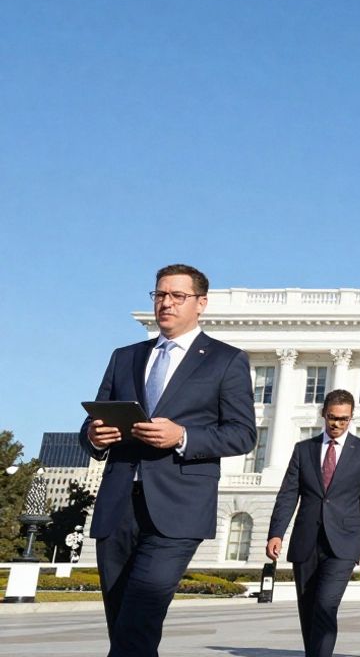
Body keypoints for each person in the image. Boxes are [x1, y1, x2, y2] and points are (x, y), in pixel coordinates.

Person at [80, 263, 256, 657]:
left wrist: (184, 437)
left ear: (201, 303)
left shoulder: (226, 360)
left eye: (178, 295)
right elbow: (93, 422)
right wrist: (95, 435)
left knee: (138, 618)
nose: (166, 302)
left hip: (178, 508)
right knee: (125, 627)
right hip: (118, 504)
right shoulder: (124, 357)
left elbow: (244, 434)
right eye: (160, 294)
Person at [266, 389, 360, 657]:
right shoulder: (303, 450)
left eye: (343, 419)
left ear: (351, 418)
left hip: (343, 543)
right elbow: (287, 494)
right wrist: (276, 533)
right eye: (332, 417)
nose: (337, 424)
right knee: (308, 609)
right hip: (306, 541)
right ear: (323, 414)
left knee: (326, 604)